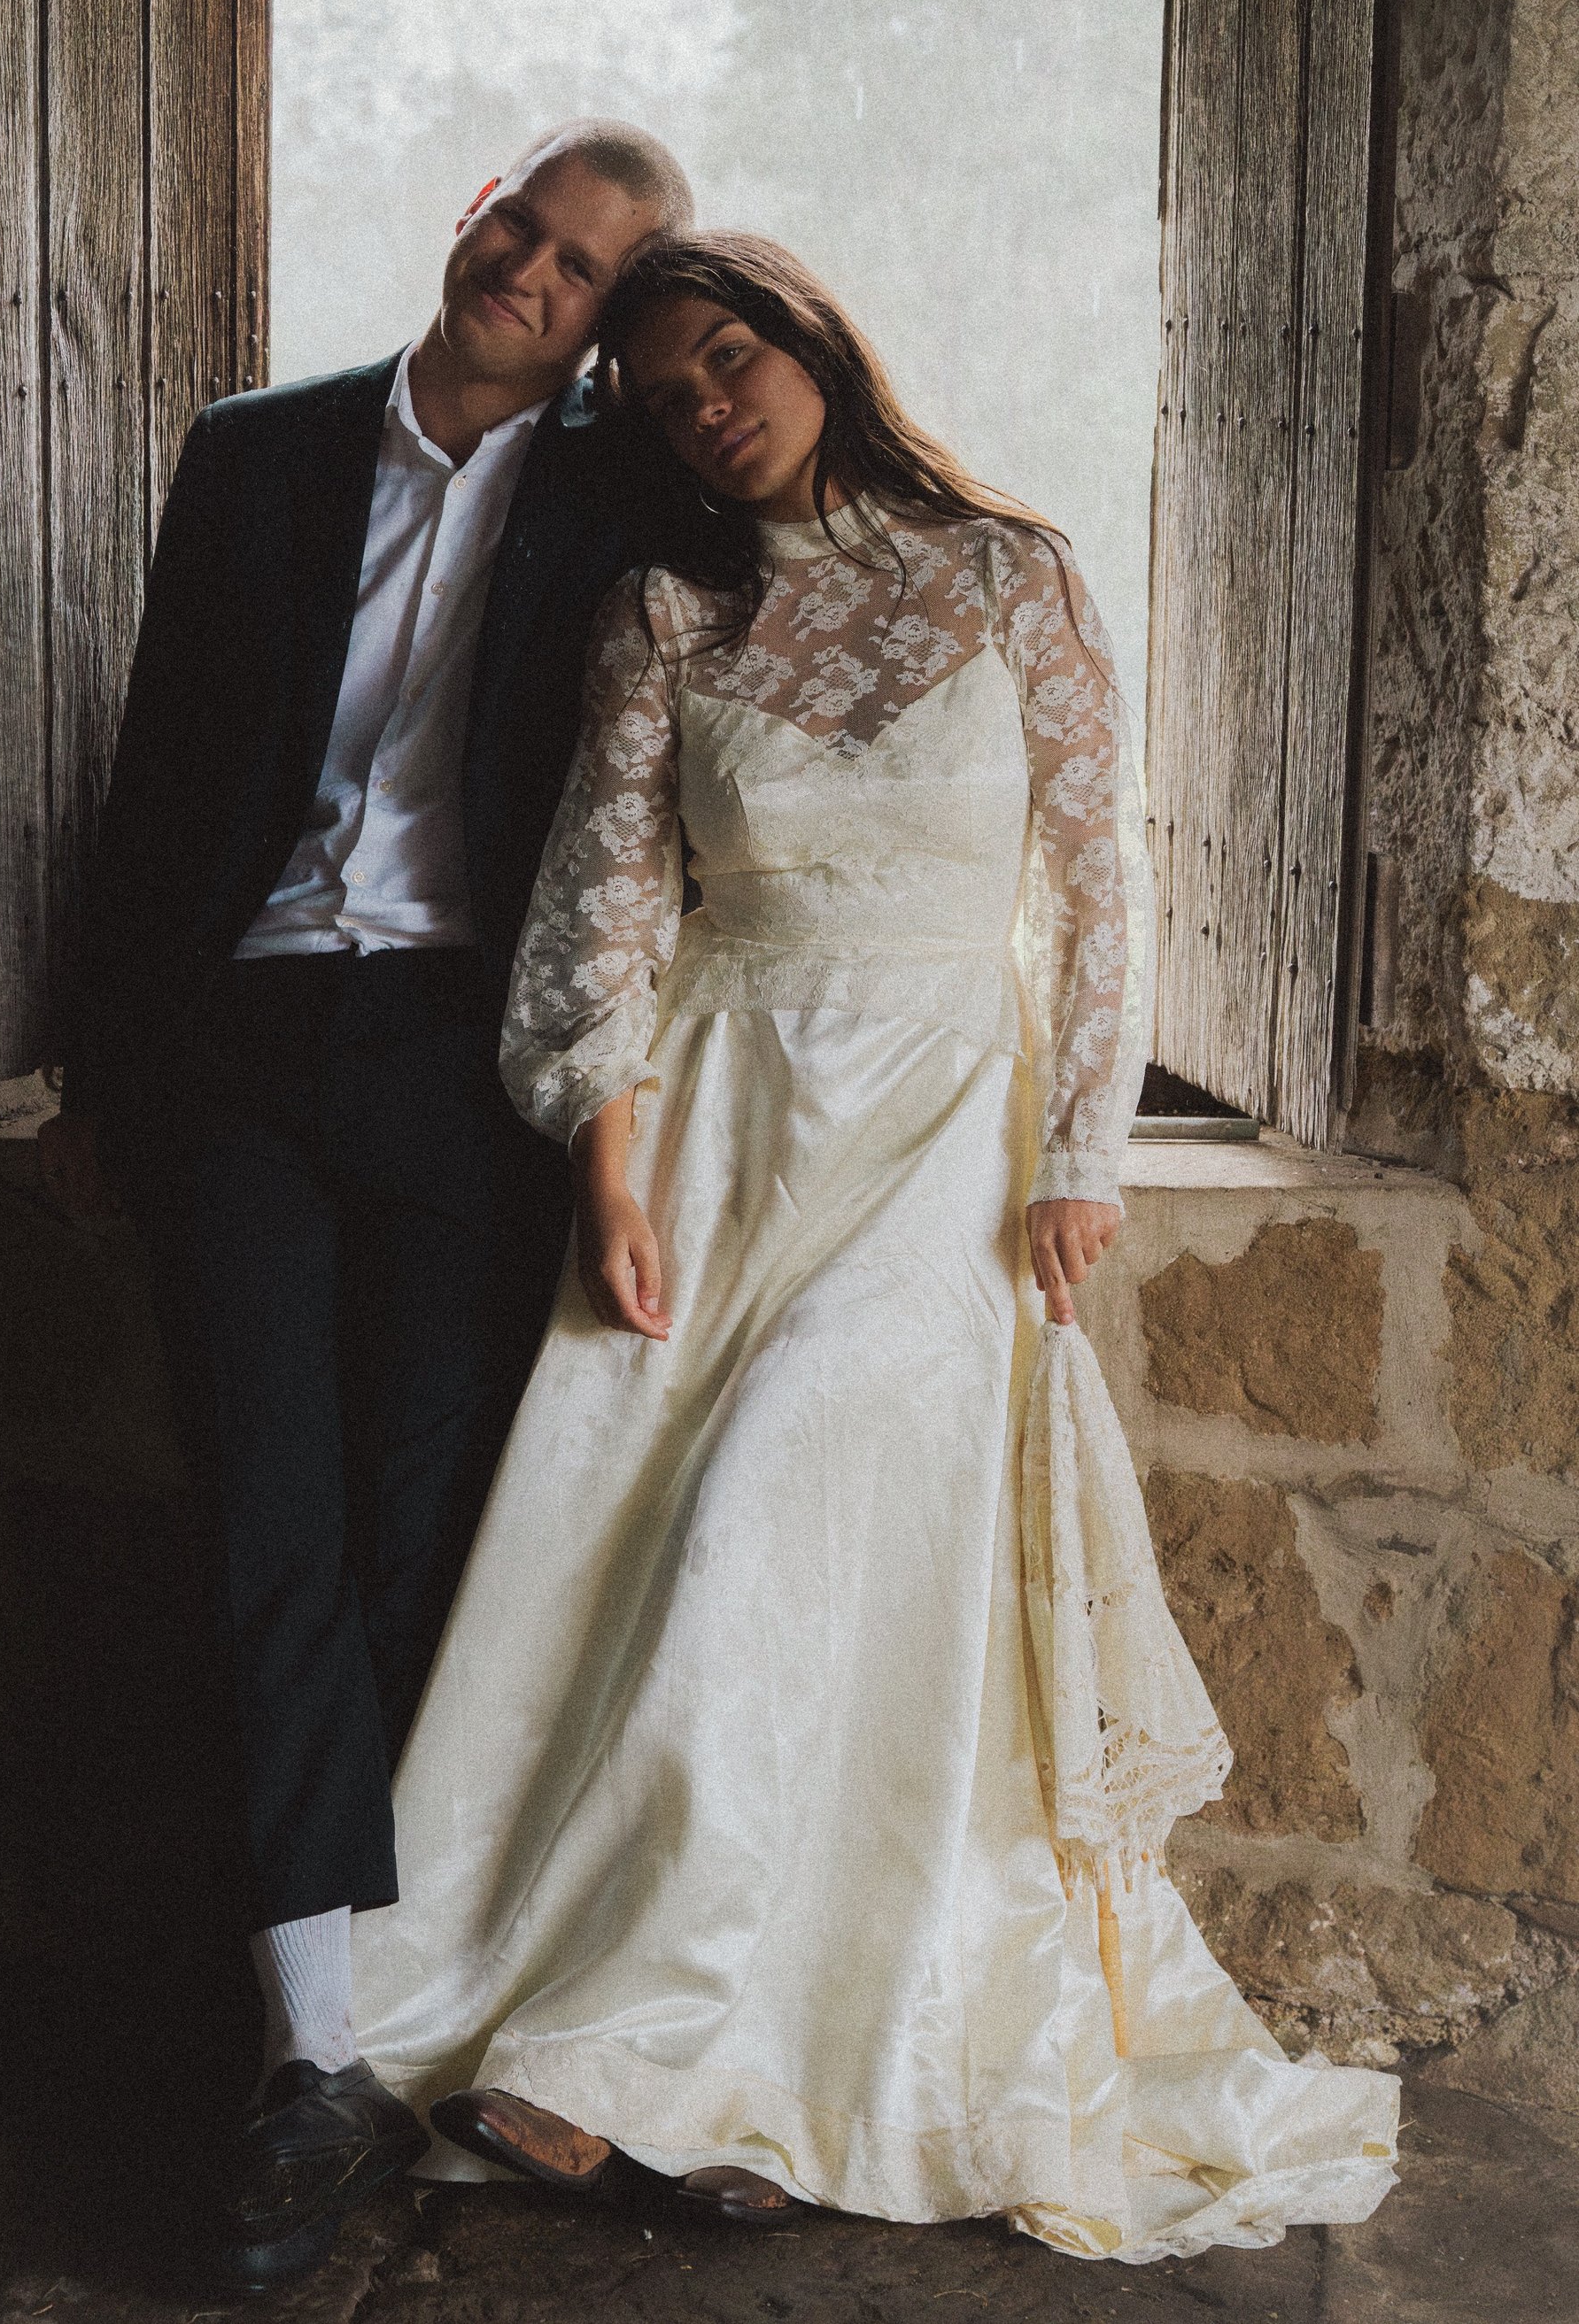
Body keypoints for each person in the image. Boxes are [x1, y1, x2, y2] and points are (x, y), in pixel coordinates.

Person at [353, 232, 1401, 2264]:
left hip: (946, 1133)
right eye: (666, 394)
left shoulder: (1015, 575)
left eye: (730, 355)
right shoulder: (665, 611)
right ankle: (742, 2079)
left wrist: (1080, 1148)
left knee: (781, 1516)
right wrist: (608, 1157)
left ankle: (649, 2047)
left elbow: (1101, 892)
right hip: (722, 1121)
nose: (710, 404)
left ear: (814, 341)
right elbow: (600, 908)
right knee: (735, 1576)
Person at [40, 124, 697, 2290]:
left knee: (426, 1522)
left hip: (464, 1064)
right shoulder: (252, 453)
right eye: (527, 220)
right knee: (266, 1512)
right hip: (235, 1043)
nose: (535, 266)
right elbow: (154, 780)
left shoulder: (622, 504)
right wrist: (107, 1069)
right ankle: (304, 2056)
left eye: (588, 267)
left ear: (606, 326)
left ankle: (413, 2004)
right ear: (470, 211)